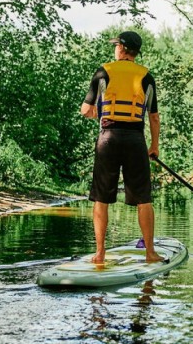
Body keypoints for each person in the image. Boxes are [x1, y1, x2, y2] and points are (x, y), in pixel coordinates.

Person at [80, 30, 163, 263]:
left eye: (117, 45)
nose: (115, 48)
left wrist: (97, 111)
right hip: (135, 140)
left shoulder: (103, 71)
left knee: (101, 197)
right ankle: (150, 253)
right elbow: (154, 117)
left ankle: (99, 253)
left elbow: (86, 110)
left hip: (108, 138)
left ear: (123, 49)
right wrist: (154, 146)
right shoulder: (147, 76)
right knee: (143, 198)